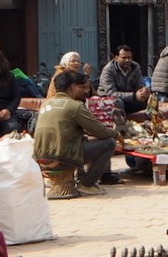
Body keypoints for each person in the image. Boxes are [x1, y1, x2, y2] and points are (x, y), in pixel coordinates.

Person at [32, 69, 121, 197]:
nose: (86, 91)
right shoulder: (74, 106)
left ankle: (79, 178)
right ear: (72, 86)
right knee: (109, 143)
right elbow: (100, 131)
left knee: (79, 141)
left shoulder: (45, 104)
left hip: (40, 159)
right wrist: (117, 135)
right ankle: (87, 184)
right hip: (61, 158)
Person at [98, 46, 151, 115]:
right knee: (118, 102)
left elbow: (140, 85)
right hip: (109, 99)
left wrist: (143, 92)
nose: (127, 60)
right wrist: (134, 96)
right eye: (124, 58)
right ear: (116, 58)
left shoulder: (136, 67)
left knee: (148, 101)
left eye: (129, 58)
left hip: (129, 97)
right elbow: (111, 94)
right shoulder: (108, 70)